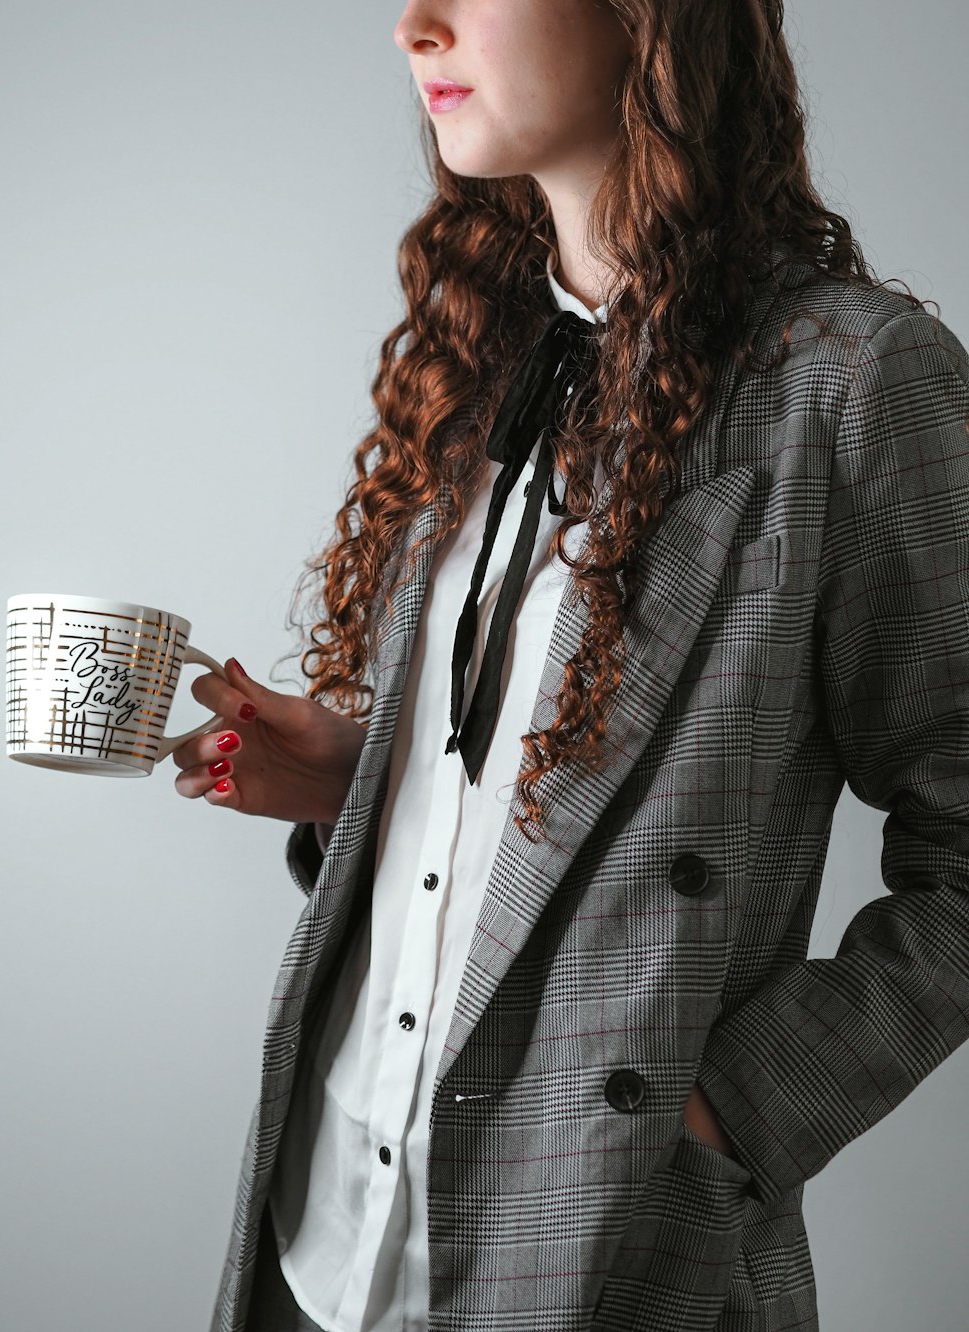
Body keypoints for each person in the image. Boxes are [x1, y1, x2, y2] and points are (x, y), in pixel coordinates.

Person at [173, 0, 969, 1328]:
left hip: (600, 1246)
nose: (413, 26)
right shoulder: (484, 351)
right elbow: (517, 808)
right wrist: (361, 785)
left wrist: (730, 1118)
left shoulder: (851, 381)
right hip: (325, 1234)